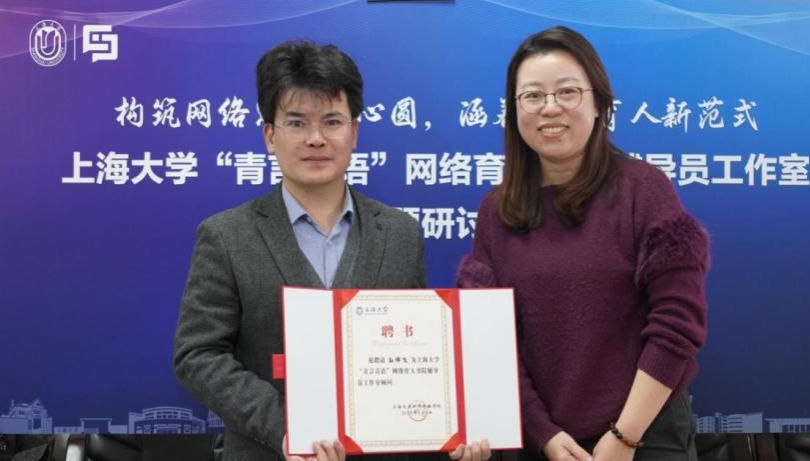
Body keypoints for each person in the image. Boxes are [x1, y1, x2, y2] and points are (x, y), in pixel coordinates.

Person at [457, 27, 710, 461]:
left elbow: (677, 323)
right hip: (543, 443)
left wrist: (624, 437)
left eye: (568, 91)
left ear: (598, 103)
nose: (550, 107)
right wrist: (545, 434)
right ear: (514, 111)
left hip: (645, 437)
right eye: (532, 95)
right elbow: (493, 340)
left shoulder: (644, 189)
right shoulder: (497, 211)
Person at [173, 40, 429, 461]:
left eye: (332, 121)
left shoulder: (401, 233)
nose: (315, 139)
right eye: (296, 122)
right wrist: (286, 429)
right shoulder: (226, 235)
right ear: (270, 136)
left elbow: (417, 349)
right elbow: (198, 354)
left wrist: (451, 422)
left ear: (354, 132)